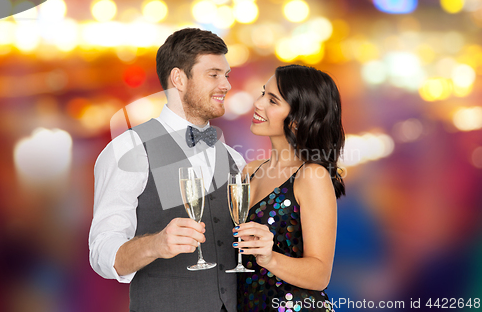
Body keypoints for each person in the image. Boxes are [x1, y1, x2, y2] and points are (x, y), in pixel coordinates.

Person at [89, 28, 246, 312]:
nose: (226, 85)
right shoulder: (129, 150)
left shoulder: (235, 159)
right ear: (178, 79)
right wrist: (156, 244)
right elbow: (102, 254)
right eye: (213, 75)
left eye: (227, 75)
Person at [235, 65, 344, 312]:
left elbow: (320, 275)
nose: (258, 103)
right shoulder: (249, 170)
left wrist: (269, 258)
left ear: (297, 119)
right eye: (263, 93)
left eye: (272, 100)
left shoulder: (311, 175)